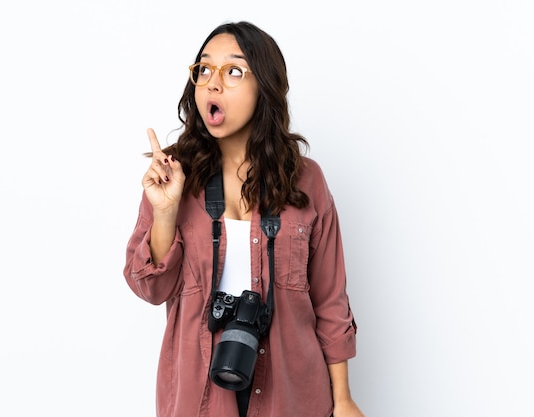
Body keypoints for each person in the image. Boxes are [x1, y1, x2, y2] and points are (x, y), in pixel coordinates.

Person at [124, 21, 365, 417]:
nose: (213, 83)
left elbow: (330, 300)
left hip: (292, 395)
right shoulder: (172, 175)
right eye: (204, 70)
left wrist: (343, 399)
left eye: (233, 71)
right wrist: (165, 212)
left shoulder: (306, 180)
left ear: (264, 87)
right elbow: (151, 290)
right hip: (198, 395)